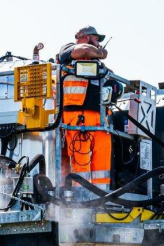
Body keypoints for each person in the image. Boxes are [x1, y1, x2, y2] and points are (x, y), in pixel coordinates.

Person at [57, 26, 112, 189]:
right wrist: (101, 53)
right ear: (84, 37)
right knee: (81, 162)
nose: (98, 43)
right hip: (77, 118)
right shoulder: (67, 50)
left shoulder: (97, 66)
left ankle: (101, 198)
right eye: (96, 38)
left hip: (100, 120)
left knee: (101, 166)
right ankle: (82, 200)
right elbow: (85, 49)